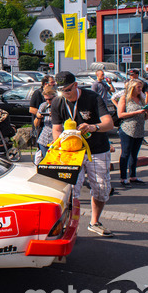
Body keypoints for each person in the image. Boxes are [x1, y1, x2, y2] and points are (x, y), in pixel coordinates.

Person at [50, 71, 115, 237]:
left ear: (75, 85)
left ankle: (95, 222)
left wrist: (94, 127)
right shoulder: (58, 102)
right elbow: (56, 128)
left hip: (97, 150)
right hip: (72, 153)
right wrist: (58, 145)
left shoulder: (92, 98)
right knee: (71, 191)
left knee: (101, 189)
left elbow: (109, 123)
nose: (65, 93)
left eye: (67, 90)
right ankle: (71, 226)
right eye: (61, 90)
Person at [116, 79, 148, 187]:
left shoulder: (141, 98)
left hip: (139, 130)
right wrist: (136, 112)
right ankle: (123, 177)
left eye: (141, 87)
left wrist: (146, 113)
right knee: (125, 153)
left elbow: (145, 116)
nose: (140, 89)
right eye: (138, 87)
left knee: (135, 154)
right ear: (132, 88)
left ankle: (133, 176)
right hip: (127, 129)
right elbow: (120, 114)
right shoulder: (125, 98)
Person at [33, 85, 56, 165]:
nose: (48, 101)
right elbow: (36, 125)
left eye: (50, 99)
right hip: (44, 139)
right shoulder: (43, 106)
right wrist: (38, 117)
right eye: (46, 99)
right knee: (47, 163)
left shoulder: (61, 105)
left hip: (56, 139)